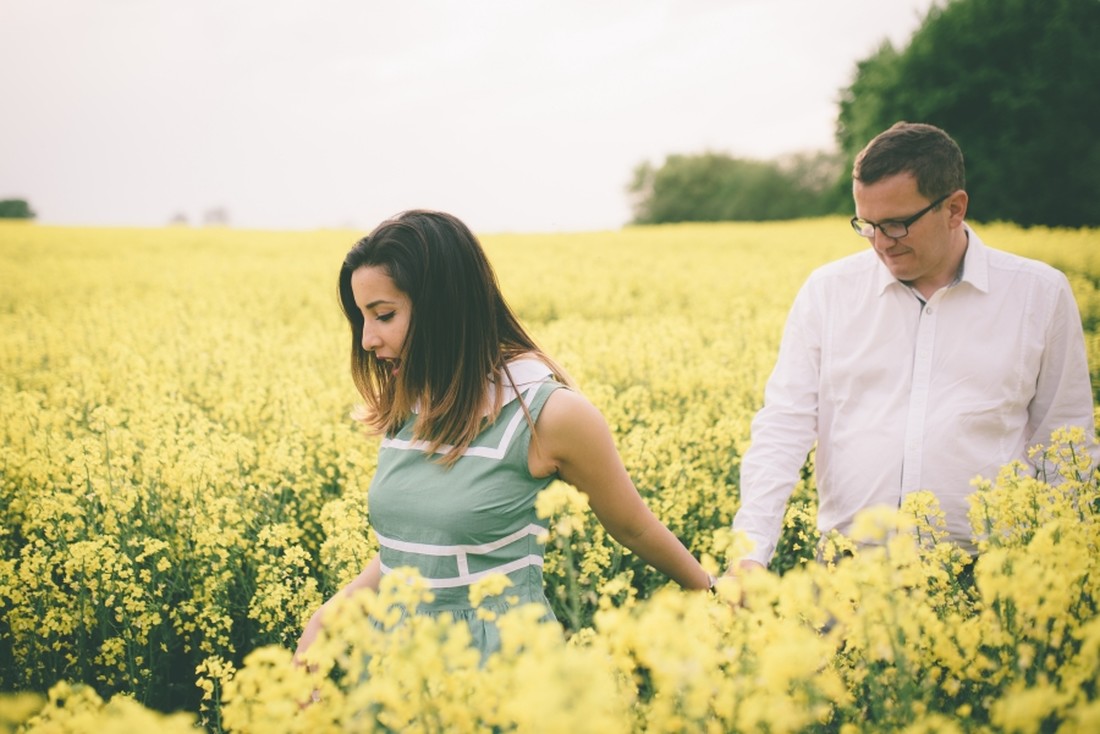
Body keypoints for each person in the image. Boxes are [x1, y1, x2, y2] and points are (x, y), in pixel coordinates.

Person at [296, 209, 714, 663]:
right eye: (362, 320)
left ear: (443, 306)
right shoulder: (409, 404)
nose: (367, 341)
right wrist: (329, 618)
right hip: (397, 661)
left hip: (496, 662)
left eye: (384, 315)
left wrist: (710, 594)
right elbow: (418, 550)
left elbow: (634, 526)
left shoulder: (550, 414)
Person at [731, 121, 1096, 574]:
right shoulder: (829, 292)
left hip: (993, 575)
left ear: (954, 208)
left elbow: (1066, 442)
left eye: (898, 224)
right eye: (867, 225)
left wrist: (1071, 571)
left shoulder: (1038, 294)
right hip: (847, 573)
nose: (881, 243)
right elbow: (783, 427)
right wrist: (749, 552)